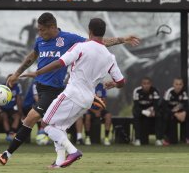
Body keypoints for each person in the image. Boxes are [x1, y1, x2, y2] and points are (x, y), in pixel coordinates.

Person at [0, 12, 139, 166]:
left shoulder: (69, 39)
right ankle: (58, 161)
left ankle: (7, 154)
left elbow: (98, 43)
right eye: (38, 30)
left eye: (42, 29)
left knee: (32, 119)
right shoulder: (40, 41)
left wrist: (122, 39)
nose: (39, 33)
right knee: (57, 126)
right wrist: (17, 73)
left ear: (52, 27)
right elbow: (31, 57)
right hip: (42, 87)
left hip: (53, 90)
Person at [21, 17, 125, 167]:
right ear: (103, 32)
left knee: (46, 124)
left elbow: (59, 63)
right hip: (88, 100)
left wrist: (37, 73)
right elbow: (121, 82)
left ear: (89, 31)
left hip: (72, 94)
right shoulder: (110, 57)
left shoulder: (81, 47)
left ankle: (73, 151)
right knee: (59, 128)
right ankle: (59, 162)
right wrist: (113, 84)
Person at [132, 77, 163, 146]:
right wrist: (145, 112)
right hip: (140, 111)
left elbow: (156, 105)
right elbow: (136, 106)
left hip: (151, 110)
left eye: (148, 84)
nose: (146, 85)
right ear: (141, 84)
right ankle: (137, 139)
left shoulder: (155, 91)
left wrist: (152, 111)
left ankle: (158, 139)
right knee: (136, 114)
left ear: (151, 84)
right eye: (144, 84)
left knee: (159, 115)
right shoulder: (137, 91)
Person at [0, 74, 23, 142]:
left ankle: (11, 133)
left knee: (17, 116)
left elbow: (18, 101)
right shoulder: (1, 87)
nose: (12, 82)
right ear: (7, 80)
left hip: (11, 109)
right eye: (11, 80)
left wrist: (21, 113)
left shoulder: (17, 87)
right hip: (3, 109)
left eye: (14, 80)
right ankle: (8, 135)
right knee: (4, 117)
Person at [162, 78, 189, 144]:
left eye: (180, 84)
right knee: (173, 141)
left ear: (182, 85)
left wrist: (184, 113)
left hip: (181, 114)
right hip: (171, 114)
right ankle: (167, 138)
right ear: (173, 85)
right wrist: (175, 114)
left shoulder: (184, 93)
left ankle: (186, 138)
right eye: (176, 84)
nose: (178, 86)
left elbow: (186, 106)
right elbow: (164, 107)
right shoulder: (169, 92)